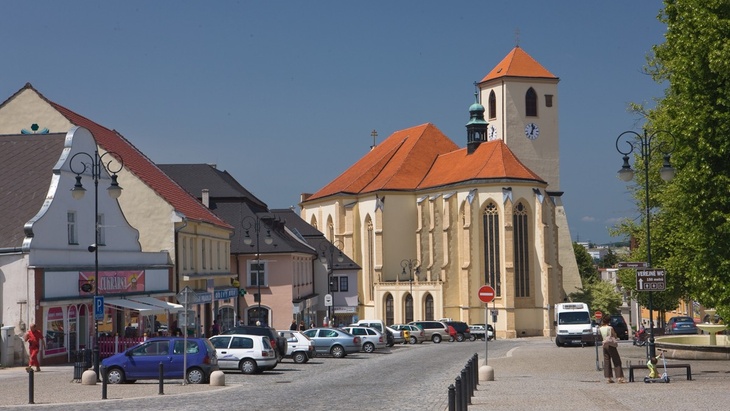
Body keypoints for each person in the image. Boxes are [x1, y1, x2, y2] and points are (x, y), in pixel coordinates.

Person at [599, 315, 625, 383]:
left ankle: (608, 377)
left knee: (607, 361)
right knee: (616, 360)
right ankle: (619, 377)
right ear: (609, 321)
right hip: (611, 344)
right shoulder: (610, 328)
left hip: (605, 344)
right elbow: (614, 335)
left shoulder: (600, 328)